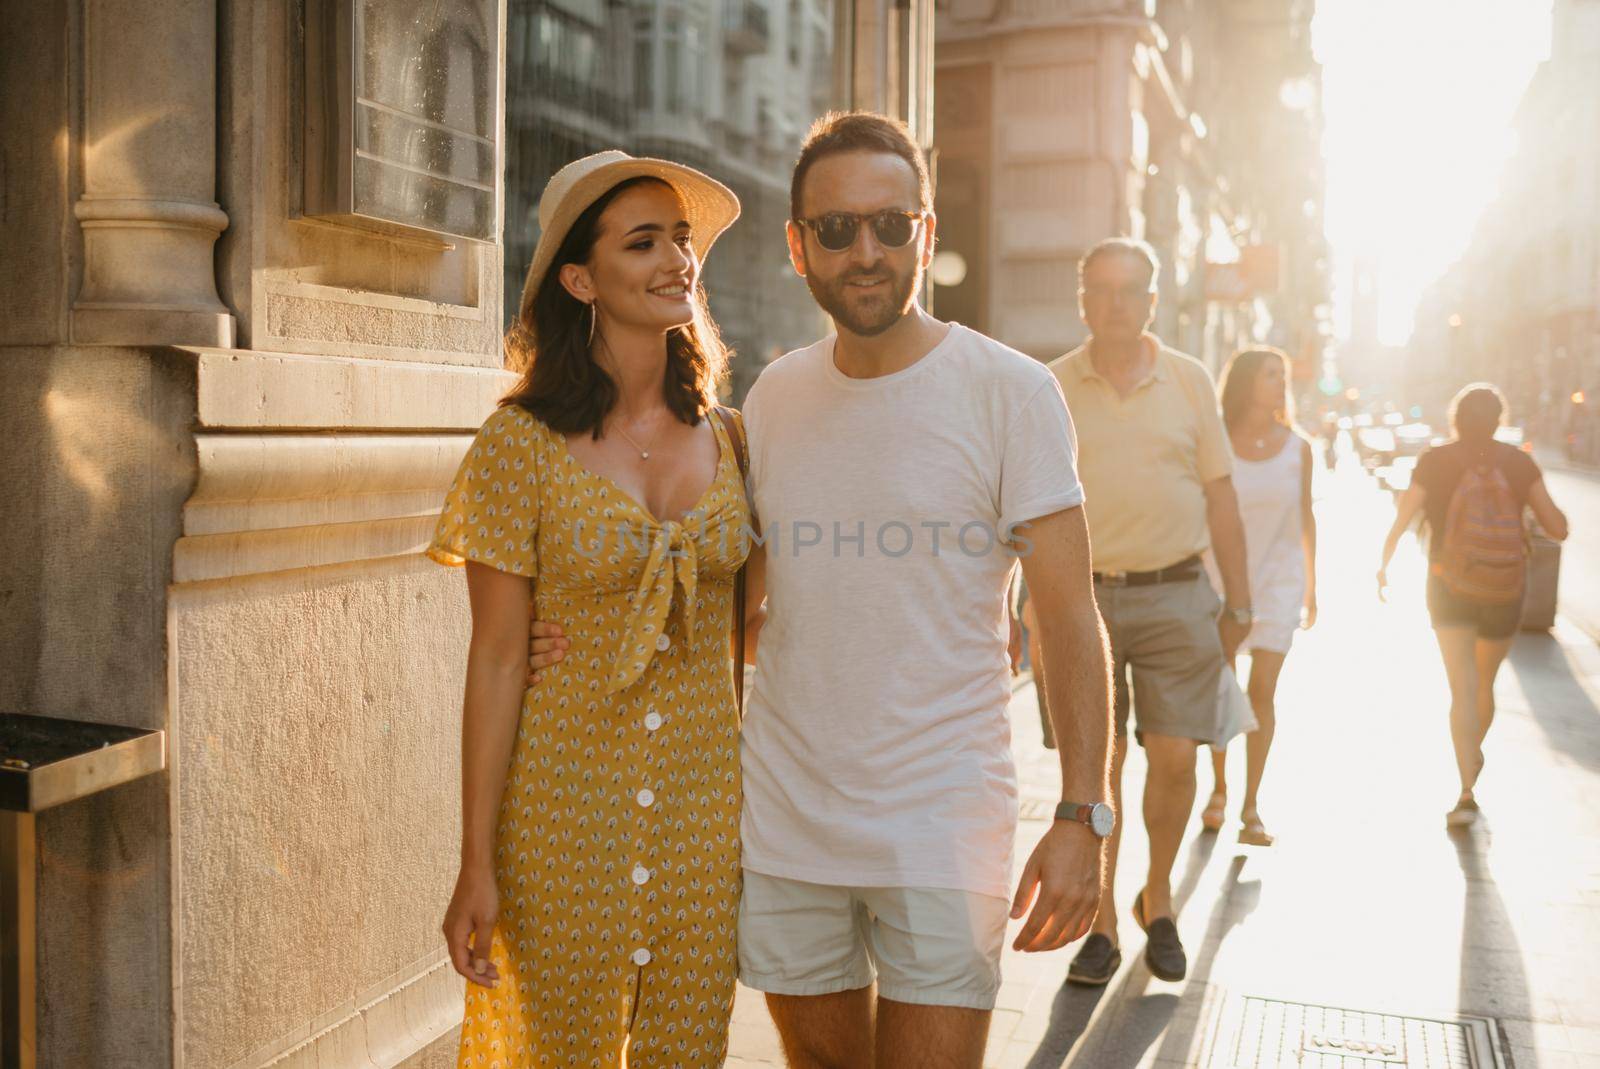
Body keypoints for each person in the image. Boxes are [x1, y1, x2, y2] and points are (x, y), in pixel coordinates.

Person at [534, 112, 1115, 1068]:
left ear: (927, 233)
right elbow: (739, 603)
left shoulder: (1010, 392)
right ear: (799, 248)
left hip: (943, 821)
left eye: (892, 225)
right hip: (787, 822)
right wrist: (571, 637)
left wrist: (1084, 812)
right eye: (838, 230)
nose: (868, 251)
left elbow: (1066, 615)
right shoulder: (774, 396)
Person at [428, 151, 751, 1067]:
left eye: (681, 239)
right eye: (643, 242)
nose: (676, 260)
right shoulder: (516, 446)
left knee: (686, 1046)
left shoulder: (732, 439)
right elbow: (494, 658)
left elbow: (759, 623)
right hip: (562, 803)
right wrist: (475, 859)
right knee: (556, 1049)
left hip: (702, 812)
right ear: (581, 278)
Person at [1048, 237, 1253, 986]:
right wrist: (1014, 608)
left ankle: (1156, 897)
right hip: (1081, 599)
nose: (1116, 303)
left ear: (1153, 300)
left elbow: (1222, 495)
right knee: (1095, 769)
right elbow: (1020, 506)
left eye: (1131, 289)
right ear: (1082, 299)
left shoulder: (1190, 380)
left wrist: (1243, 599)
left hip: (1176, 592)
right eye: (1101, 289)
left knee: (1174, 759)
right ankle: (1099, 921)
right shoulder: (1052, 386)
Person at [1378, 383, 1568, 828]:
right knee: (1485, 684)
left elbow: (1404, 518)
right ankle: (1472, 752)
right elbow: (1556, 527)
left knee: (1460, 688)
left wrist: (1383, 564)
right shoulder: (1519, 463)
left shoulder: (1435, 461)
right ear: (1499, 419)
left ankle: (1466, 786)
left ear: (1455, 419)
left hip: (1448, 587)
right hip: (1504, 591)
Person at [1199, 348, 1318, 847]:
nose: (1279, 383)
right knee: (1224, 688)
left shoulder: (1299, 447)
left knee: (1263, 694)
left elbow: (1307, 516)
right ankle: (1219, 791)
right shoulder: (1216, 442)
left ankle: (1251, 808)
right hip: (1221, 579)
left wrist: (1313, 586)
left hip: (1280, 581)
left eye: (1282, 376)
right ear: (1246, 381)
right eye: (1271, 375)